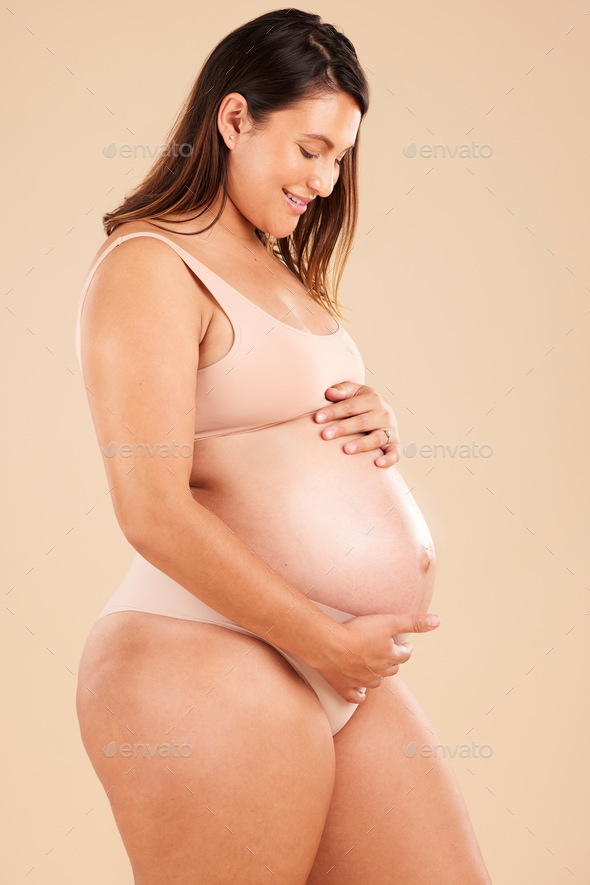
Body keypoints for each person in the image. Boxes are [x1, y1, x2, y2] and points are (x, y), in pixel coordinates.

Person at [75, 8, 492, 884]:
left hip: (326, 661)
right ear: (234, 119)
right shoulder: (150, 263)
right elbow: (150, 509)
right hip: (206, 651)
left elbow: (268, 423)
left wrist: (370, 421)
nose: (328, 179)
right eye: (309, 149)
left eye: (340, 156)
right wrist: (325, 641)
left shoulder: (274, 266)